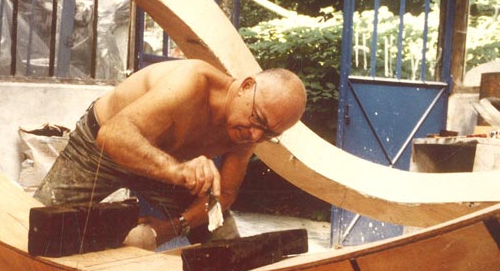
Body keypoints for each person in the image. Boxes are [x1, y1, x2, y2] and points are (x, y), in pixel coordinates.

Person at [34, 58, 307, 249]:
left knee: (226, 244)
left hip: (167, 166)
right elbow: (113, 136)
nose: (256, 136)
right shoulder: (190, 83)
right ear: (246, 86)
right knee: (32, 226)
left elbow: (222, 196)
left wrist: (169, 229)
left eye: (269, 134)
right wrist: (178, 171)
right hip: (102, 147)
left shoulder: (249, 127)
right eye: (257, 120)